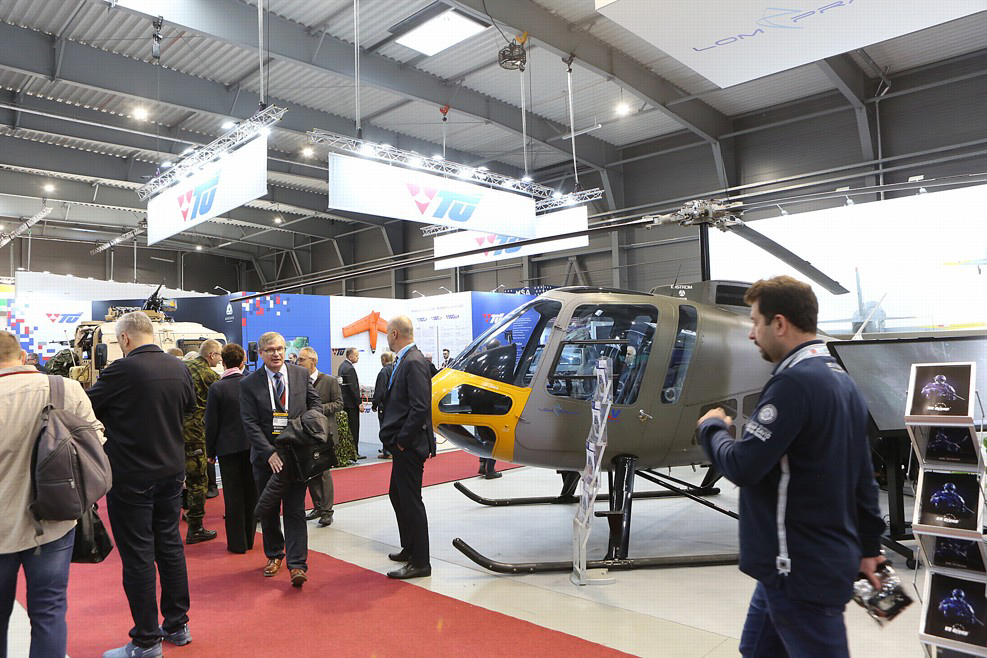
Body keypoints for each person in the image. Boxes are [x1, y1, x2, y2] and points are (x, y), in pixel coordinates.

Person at [695, 276, 885, 658]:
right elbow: (863, 476)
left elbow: (743, 466)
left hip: (797, 569)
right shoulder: (842, 380)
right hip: (795, 565)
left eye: (755, 322)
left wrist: (712, 429)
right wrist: (869, 546)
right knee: (756, 650)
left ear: (779, 323)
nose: (752, 334)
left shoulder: (794, 385)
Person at [87, 311, 196, 658]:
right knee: (170, 547)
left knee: (138, 556)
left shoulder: (121, 370)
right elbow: (189, 408)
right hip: (171, 472)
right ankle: (177, 625)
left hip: (133, 476)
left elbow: (86, 407)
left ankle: (146, 640)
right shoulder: (179, 367)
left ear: (124, 338)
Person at [0, 331, 105, 658]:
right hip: (54, 519)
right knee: (49, 611)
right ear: (23, 356)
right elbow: (97, 443)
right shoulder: (65, 389)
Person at [239, 331, 321, 588]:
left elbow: (315, 405)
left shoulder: (300, 374)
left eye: (280, 349)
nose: (276, 354)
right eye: (270, 350)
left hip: (296, 456)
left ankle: (297, 565)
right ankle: (274, 554)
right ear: (261, 353)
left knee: (295, 509)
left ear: (285, 351)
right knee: (270, 509)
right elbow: (250, 423)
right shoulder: (248, 383)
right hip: (266, 458)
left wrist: (305, 430)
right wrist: (269, 453)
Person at [379, 316, 436, 580]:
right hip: (403, 445)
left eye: (387, 334)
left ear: (394, 334)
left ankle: (421, 562)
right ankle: (410, 548)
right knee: (397, 495)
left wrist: (402, 440)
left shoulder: (412, 361)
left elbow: (420, 407)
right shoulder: (407, 360)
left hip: (409, 446)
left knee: (411, 501)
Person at [204, 343, 257, 554]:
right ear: (243, 361)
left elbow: (211, 423)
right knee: (251, 493)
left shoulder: (217, 388)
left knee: (233, 496)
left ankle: (237, 544)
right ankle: (250, 539)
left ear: (223, 362)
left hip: (228, 449)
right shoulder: (251, 383)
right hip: (252, 446)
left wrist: (210, 452)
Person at [296, 346, 342, 526]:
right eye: (298, 359)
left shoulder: (329, 381)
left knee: (324, 473)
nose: (298, 362)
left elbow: (339, 403)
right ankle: (318, 506)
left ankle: (327, 511)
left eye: (302, 359)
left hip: (324, 434)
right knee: (310, 472)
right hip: (306, 434)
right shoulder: (298, 381)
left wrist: (316, 410)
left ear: (313, 361)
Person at [182, 339, 221, 544]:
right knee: (198, 481)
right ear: (211, 355)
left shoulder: (182, 367)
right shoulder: (209, 375)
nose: (220, 359)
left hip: (173, 430)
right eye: (219, 355)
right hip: (195, 434)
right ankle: (195, 527)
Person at [338, 347, 366, 459]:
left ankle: (349, 452)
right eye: (357, 356)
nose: (358, 358)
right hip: (351, 404)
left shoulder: (342, 366)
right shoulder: (350, 368)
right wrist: (359, 403)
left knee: (347, 430)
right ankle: (355, 453)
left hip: (345, 403)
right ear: (350, 356)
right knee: (354, 429)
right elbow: (353, 388)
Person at [372, 351, 396, 459]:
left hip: (385, 405)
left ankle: (387, 452)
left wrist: (375, 404)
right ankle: (393, 450)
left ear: (383, 360)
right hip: (395, 405)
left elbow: (380, 390)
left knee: (385, 428)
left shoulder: (383, 372)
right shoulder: (396, 369)